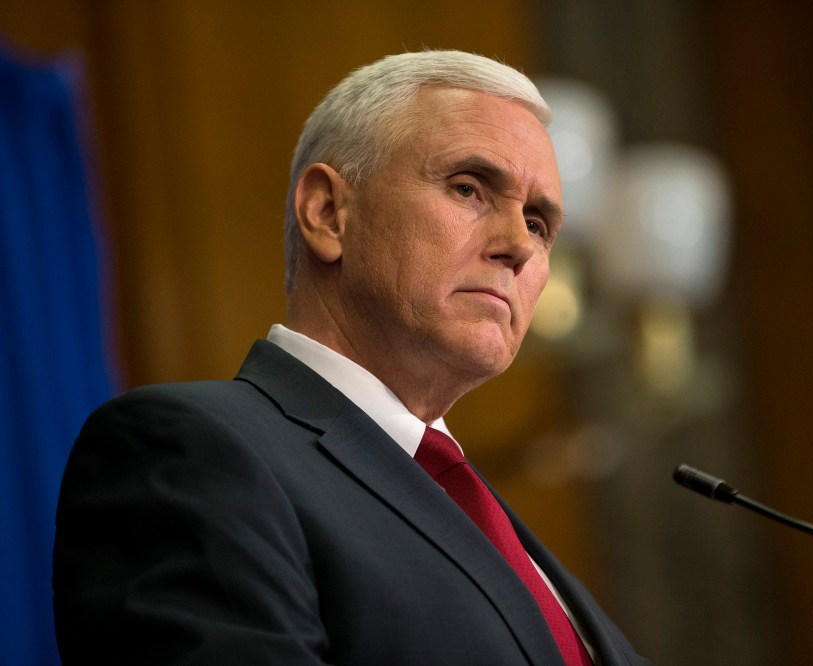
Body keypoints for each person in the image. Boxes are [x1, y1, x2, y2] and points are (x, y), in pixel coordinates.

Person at [53, 50, 647, 665]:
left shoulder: (487, 519)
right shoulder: (189, 451)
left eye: (539, 223)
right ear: (328, 213)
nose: (519, 245)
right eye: (469, 188)